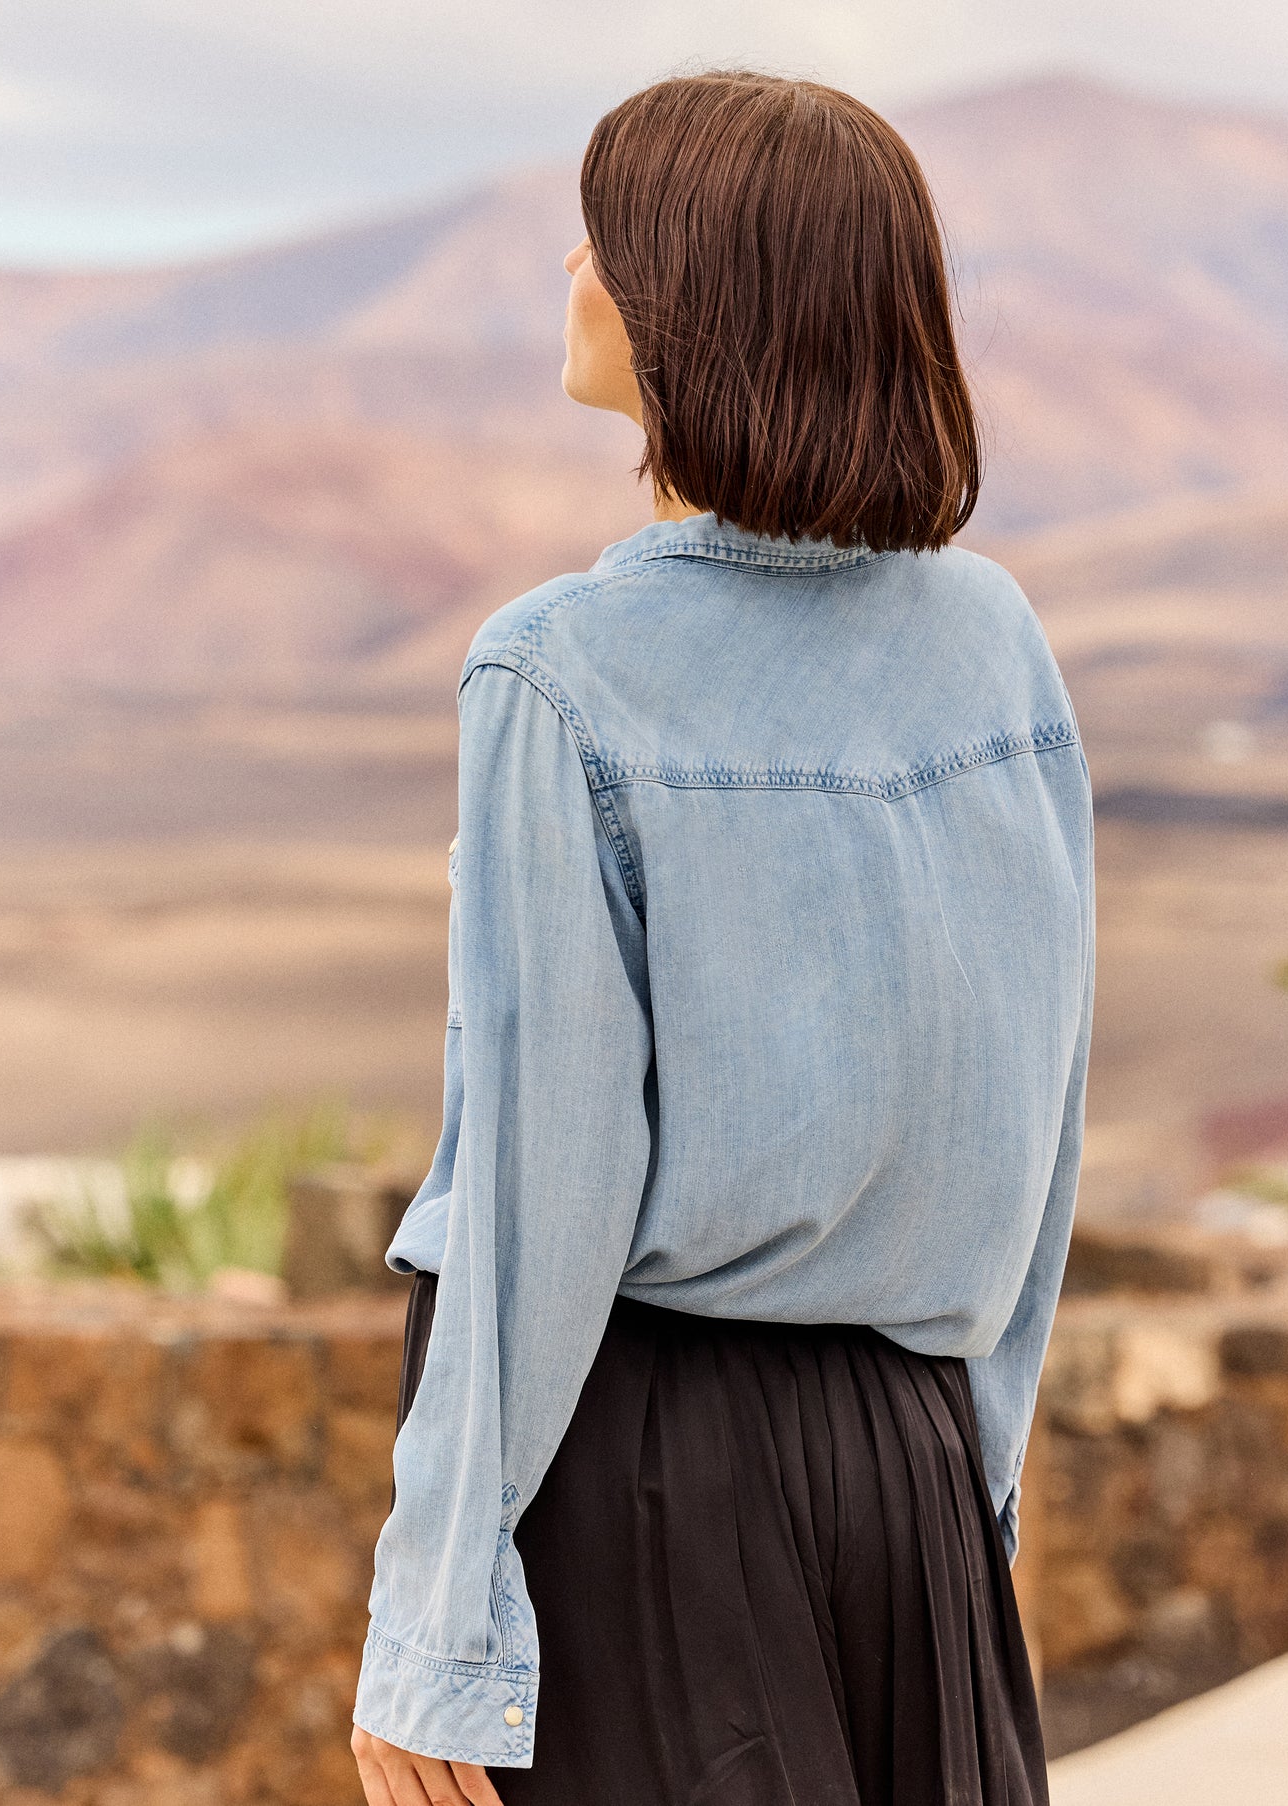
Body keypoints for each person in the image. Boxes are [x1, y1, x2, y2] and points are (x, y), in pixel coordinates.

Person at [351, 69, 1093, 1806]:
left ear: (690, 299)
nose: (571, 261)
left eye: (605, 235)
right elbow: (1033, 1117)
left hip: (641, 1477)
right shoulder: (994, 639)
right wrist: (963, 1481)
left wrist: (433, 1630)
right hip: (909, 1470)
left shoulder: (555, 671)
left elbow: (543, 1189)